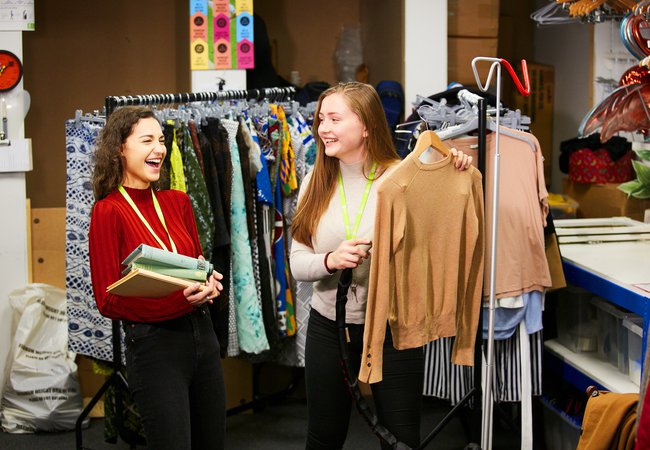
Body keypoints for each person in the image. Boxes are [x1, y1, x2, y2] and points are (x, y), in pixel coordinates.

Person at [290, 82, 472, 449]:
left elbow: (444, 225)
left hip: (393, 328)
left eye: (335, 118)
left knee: (401, 439)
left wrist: (458, 167)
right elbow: (297, 264)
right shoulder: (314, 182)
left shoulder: (406, 179)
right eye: (321, 118)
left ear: (367, 125)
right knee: (323, 437)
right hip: (330, 327)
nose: (323, 128)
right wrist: (330, 260)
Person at [88, 106, 226, 450]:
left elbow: (197, 266)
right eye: (147, 139)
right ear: (120, 148)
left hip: (203, 336)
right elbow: (108, 300)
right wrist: (178, 300)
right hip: (155, 348)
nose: (160, 149)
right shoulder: (109, 211)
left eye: (161, 140)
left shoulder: (178, 202)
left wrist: (209, 283)